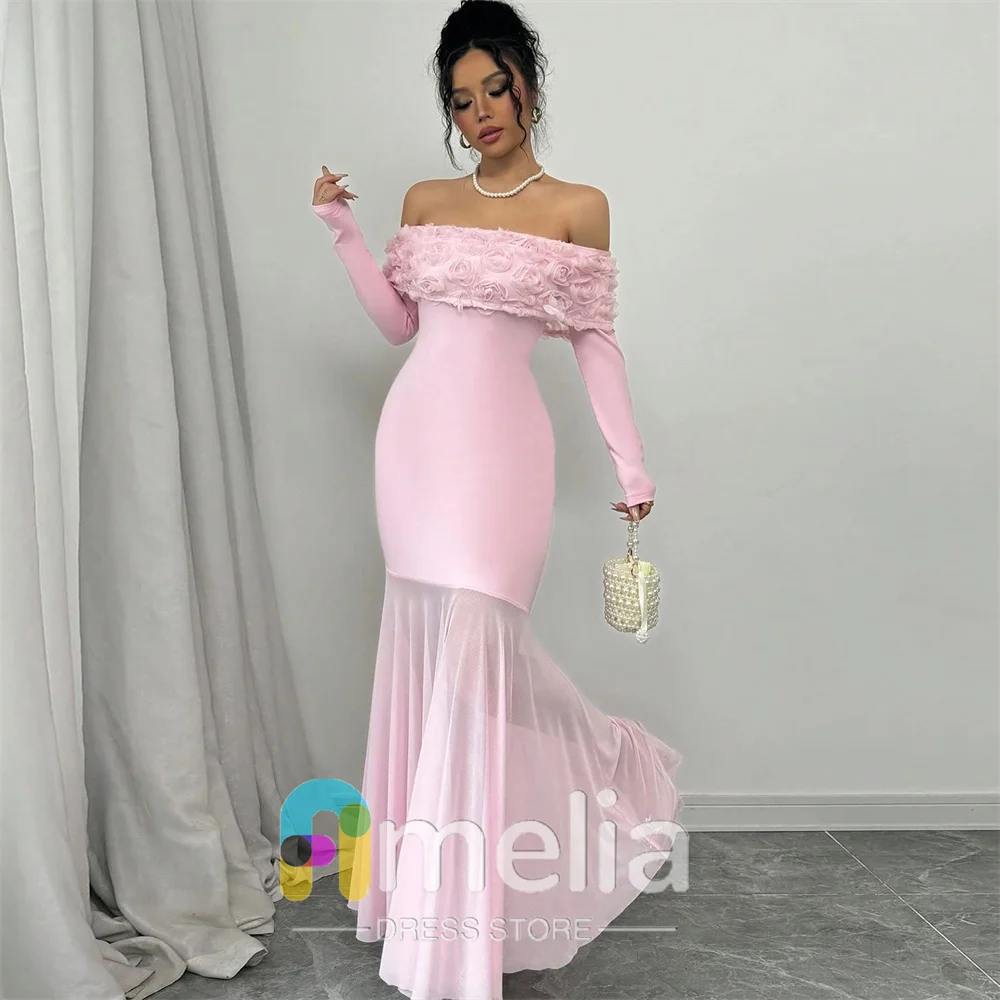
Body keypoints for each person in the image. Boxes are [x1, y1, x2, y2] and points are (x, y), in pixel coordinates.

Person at [310, 2, 683, 997]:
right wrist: (343, 231)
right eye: (461, 99)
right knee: (426, 652)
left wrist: (631, 465)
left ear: (529, 86)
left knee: (483, 648)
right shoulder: (427, 199)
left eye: (496, 89)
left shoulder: (578, 206)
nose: (480, 112)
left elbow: (594, 343)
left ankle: (603, 767)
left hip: (503, 455)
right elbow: (399, 326)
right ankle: (421, 912)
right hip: (413, 449)